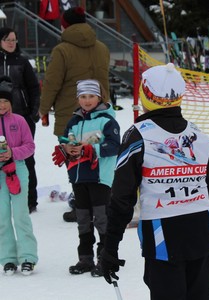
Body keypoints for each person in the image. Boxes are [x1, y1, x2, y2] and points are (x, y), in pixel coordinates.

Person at [100, 63, 209, 300]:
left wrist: (109, 246)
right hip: (201, 232)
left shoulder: (138, 134)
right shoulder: (197, 134)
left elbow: (122, 197)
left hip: (164, 234)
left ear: (146, 95)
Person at [39, 6, 111, 222]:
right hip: (100, 111)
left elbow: (52, 83)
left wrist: (43, 109)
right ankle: (97, 202)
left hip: (73, 114)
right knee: (95, 155)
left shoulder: (62, 50)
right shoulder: (102, 47)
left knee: (73, 158)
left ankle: (82, 205)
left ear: (65, 25)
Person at [52, 79, 120, 276]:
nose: (87, 100)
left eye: (91, 96)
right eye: (83, 97)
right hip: (79, 177)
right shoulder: (74, 121)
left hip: (99, 178)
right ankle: (85, 259)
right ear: (78, 99)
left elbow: (115, 146)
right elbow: (66, 140)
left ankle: (106, 258)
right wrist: (66, 149)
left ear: (99, 98)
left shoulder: (107, 121)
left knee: (102, 219)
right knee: (83, 219)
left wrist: (92, 149)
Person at [0, 76, 38, 275]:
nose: (2, 105)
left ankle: (28, 257)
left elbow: (30, 146)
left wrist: (12, 153)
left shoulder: (19, 121)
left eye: (5, 101)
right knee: (2, 217)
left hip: (18, 170)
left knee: (21, 214)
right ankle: (7, 258)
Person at [0, 27, 40, 214]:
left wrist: (32, 113)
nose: (11, 43)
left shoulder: (22, 61)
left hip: (22, 116)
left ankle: (29, 199)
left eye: (14, 40)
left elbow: (33, 88)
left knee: (26, 158)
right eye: (8, 39)